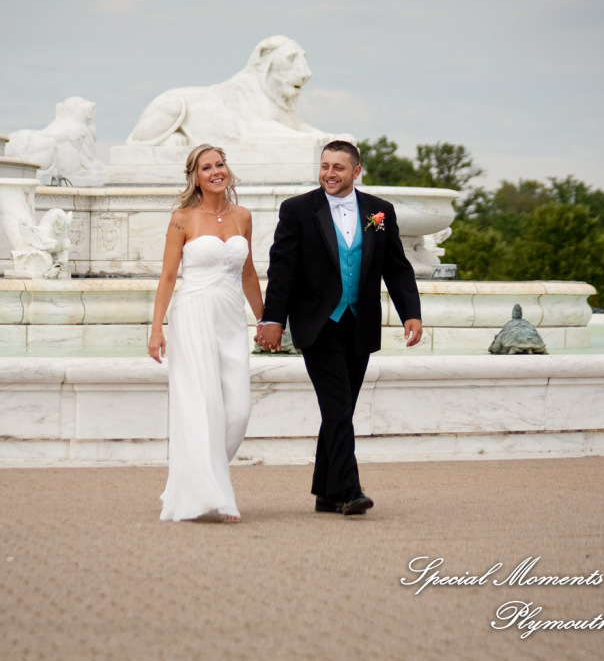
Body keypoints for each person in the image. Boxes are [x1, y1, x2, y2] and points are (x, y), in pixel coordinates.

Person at [256, 140, 422, 515]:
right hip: (318, 324)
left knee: (340, 411)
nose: (329, 173)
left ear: (356, 172)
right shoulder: (298, 210)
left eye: (338, 168)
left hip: (360, 323)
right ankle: (349, 491)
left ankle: (326, 492)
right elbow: (283, 270)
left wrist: (410, 311)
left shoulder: (379, 212)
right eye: (325, 166)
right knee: (337, 406)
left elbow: (396, 266)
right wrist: (272, 319)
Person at [149, 144, 265, 522]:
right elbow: (168, 277)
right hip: (194, 313)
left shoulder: (244, 216)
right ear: (195, 176)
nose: (216, 171)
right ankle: (217, 495)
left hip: (231, 316)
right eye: (206, 167)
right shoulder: (182, 218)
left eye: (220, 164)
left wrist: (265, 321)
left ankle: (193, 478)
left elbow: (248, 274)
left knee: (239, 409)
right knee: (203, 406)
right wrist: (156, 329)